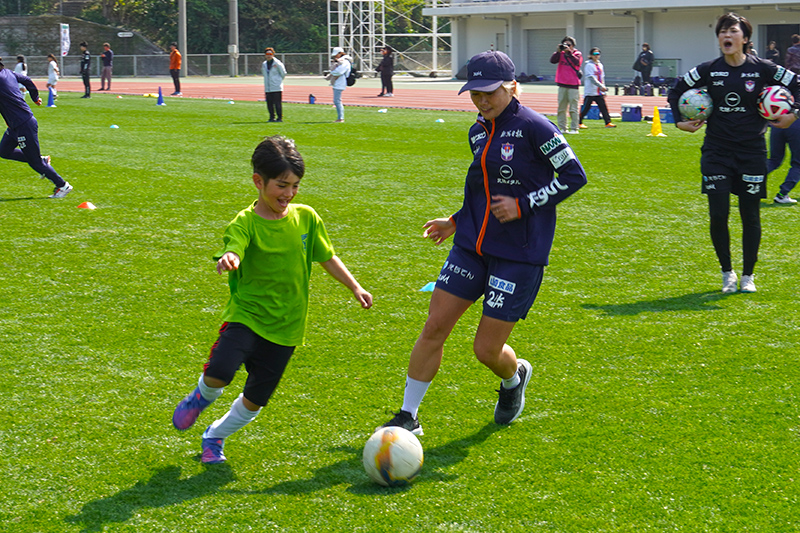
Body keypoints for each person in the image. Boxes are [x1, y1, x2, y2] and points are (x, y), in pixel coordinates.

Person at [378, 51, 587, 435]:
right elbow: (481, 188)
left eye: (489, 92)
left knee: (485, 351)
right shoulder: (477, 130)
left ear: (510, 87)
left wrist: (524, 205)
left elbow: (575, 176)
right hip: (472, 246)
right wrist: (455, 221)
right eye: (474, 93)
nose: (481, 100)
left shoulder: (536, 127)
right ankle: (408, 416)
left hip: (518, 255)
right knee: (434, 326)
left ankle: (514, 378)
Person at [172, 135, 372, 464]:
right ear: (258, 181)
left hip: (288, 325)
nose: (289, 194)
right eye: (282, 185)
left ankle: (215, 437)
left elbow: (326, 256)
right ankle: (201, 397)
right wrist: (230, 257)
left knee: (255, 399)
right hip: (246, 315)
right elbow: (234, 244)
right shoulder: (245, 222)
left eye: (295, 186)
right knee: (219, 372)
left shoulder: (306, 217)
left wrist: (354, 287)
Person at [668, 12, 800, 294]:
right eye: (722, 32)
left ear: (745, 38)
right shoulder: (708, 69)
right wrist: (679, 121)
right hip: (716, 152)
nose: (727, 36)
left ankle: (748, 275)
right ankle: (727, 272)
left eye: (732, 31)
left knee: (750, 215)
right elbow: (676, 89)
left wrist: (793, 113)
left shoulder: (763, 69)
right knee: (718, 215)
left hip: (752, 152)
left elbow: (795, 84)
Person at [0, 58, 72, 198]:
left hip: (23, 125)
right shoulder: (9, 73)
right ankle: (42, 160)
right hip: (16, 125)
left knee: (35, 163)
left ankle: (62, 185)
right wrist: (35, 97)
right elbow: (27, 80)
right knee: (3, 151)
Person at [550, 36, 582, 134]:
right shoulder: (560, 54)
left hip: (573, 84)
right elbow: (553, 60)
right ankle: (563, 128)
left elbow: (577, 62)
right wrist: (558, 51)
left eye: (569, 45)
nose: (567, 47)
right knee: (561, 108)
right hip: (562, 84)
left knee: (573, 108)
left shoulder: (577, 54)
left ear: (573, 46)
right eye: (565, 45)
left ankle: (574, 128)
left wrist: (569, 53)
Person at [578, 47, 616, 129]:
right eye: (595, 54)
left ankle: (608, 122)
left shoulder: (600, 65)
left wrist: (603, 89)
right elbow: (591, 78)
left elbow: (602, 78)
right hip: (590, 91)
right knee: (585, 108)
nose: (596, 56)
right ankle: (578, 122)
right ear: (591, 55)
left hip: (599, 92)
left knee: (603, 107)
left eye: (598, 54)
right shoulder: (589, 65)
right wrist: (601, 86)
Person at [768, 119, 800, 204]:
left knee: (774, 160)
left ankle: (746, 181)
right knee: (798, 164)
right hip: (797, 124)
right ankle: (782, 194)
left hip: (778, 124)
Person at [261, 47, 286, 122]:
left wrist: (277, 81)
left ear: (273, 54)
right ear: (265, 55)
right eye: (267, 54)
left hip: (276, 86)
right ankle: (272, 117)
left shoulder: (277, 63)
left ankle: (279, 118)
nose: (269, 56)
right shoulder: (264, 64)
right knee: (269, 104)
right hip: (268, 87)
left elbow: (283, 73)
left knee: (277, 103)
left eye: (270, 54)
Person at [328, 47, 351, 123]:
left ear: (340, 53)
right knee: (336, 100)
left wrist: (331, 73)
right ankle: (340, 117)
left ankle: (340, 118)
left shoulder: (345, 62)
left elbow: (339, 72)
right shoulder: (340, 61)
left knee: (337, 100)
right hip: (337, 81)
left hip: (340, 81)